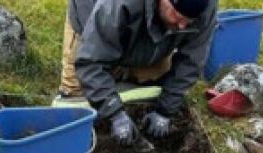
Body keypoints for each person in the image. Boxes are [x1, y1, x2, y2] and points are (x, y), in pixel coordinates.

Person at [56, 0, 217, 145]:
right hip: (94, 22)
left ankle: (128, 107)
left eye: (189, 21)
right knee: (76, 97)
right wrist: (115, 114)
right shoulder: (116, 5)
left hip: (153, 30)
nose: (182, 26)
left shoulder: (204, 7)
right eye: (178, 16)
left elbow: (192, 60)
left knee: (153, 82)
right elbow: (90, 63)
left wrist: (165, 110)